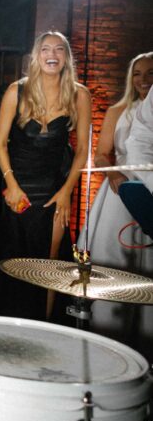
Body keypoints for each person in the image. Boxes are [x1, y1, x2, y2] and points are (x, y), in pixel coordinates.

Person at [0, 31, 91, 320]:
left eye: (59, 49)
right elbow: (0, 143)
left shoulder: (79, 94)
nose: (52, 54)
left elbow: (83, 149)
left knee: (49, 264)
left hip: (54, 188)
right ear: (36, 56)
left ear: (66, 58)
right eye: (46, 48)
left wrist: (66, 191)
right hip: (18, 186)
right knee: (14, 260)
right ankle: (11, 325)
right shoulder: (17, 91)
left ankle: (44, 325)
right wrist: (10, 185)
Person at [77, 54, 153, 348]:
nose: (143, 79)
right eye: (137, 73)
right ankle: (107, 337)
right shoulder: (118, 110)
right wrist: (117, 179)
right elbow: (101, 154)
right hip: (121, 190)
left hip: (150, 188)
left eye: (149, 73)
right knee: (113, 263)